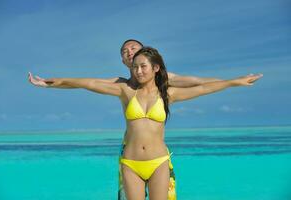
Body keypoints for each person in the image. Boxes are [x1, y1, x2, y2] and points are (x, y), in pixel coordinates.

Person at [29, 46, 262, 200]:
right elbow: (87, 83)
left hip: (159, 162)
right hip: (131, 163)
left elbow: (202, 88)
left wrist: (234, 82)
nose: (139, 71)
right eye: (135, 67)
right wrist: (53, 82)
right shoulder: (125, 90)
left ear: (155, 68)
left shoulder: (169, 93)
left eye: (143, 66)